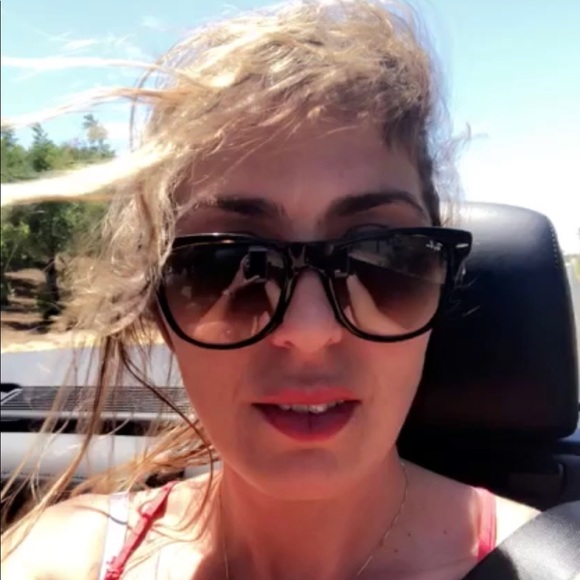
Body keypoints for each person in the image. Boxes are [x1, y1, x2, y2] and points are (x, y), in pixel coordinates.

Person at [1, 1, 539, 578]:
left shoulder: (552, 565)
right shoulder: (56, 561)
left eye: (381, 259)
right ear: (157, 309)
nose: (308, 332)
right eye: (223, 265)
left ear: (440, 282)